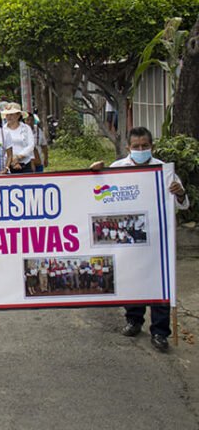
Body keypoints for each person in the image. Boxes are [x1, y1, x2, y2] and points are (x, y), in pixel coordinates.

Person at [91, 127, 189, 352]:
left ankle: (160, 332)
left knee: (159, 284)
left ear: (151, 146)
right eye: (136, 147)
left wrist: (180, 193)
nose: (141, 150)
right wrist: (92, 174)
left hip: (157, 239)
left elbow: (183, 204)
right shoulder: (116, 169)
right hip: (128, 239)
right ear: (129, 148)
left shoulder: (165, 171)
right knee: (132, 281)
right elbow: (95, 195)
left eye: (145, 146)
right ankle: (134, 320)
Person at [2, 103, 35, 174]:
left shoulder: (26, 128)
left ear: (18, 115)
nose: (9, 117)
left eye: (11, 114)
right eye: (7, 115)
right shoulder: (3, 130)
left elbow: (31, 145)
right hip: (8, 165)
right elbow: (2, 147)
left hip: (25, 163)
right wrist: (12, 161)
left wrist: (18, 157)